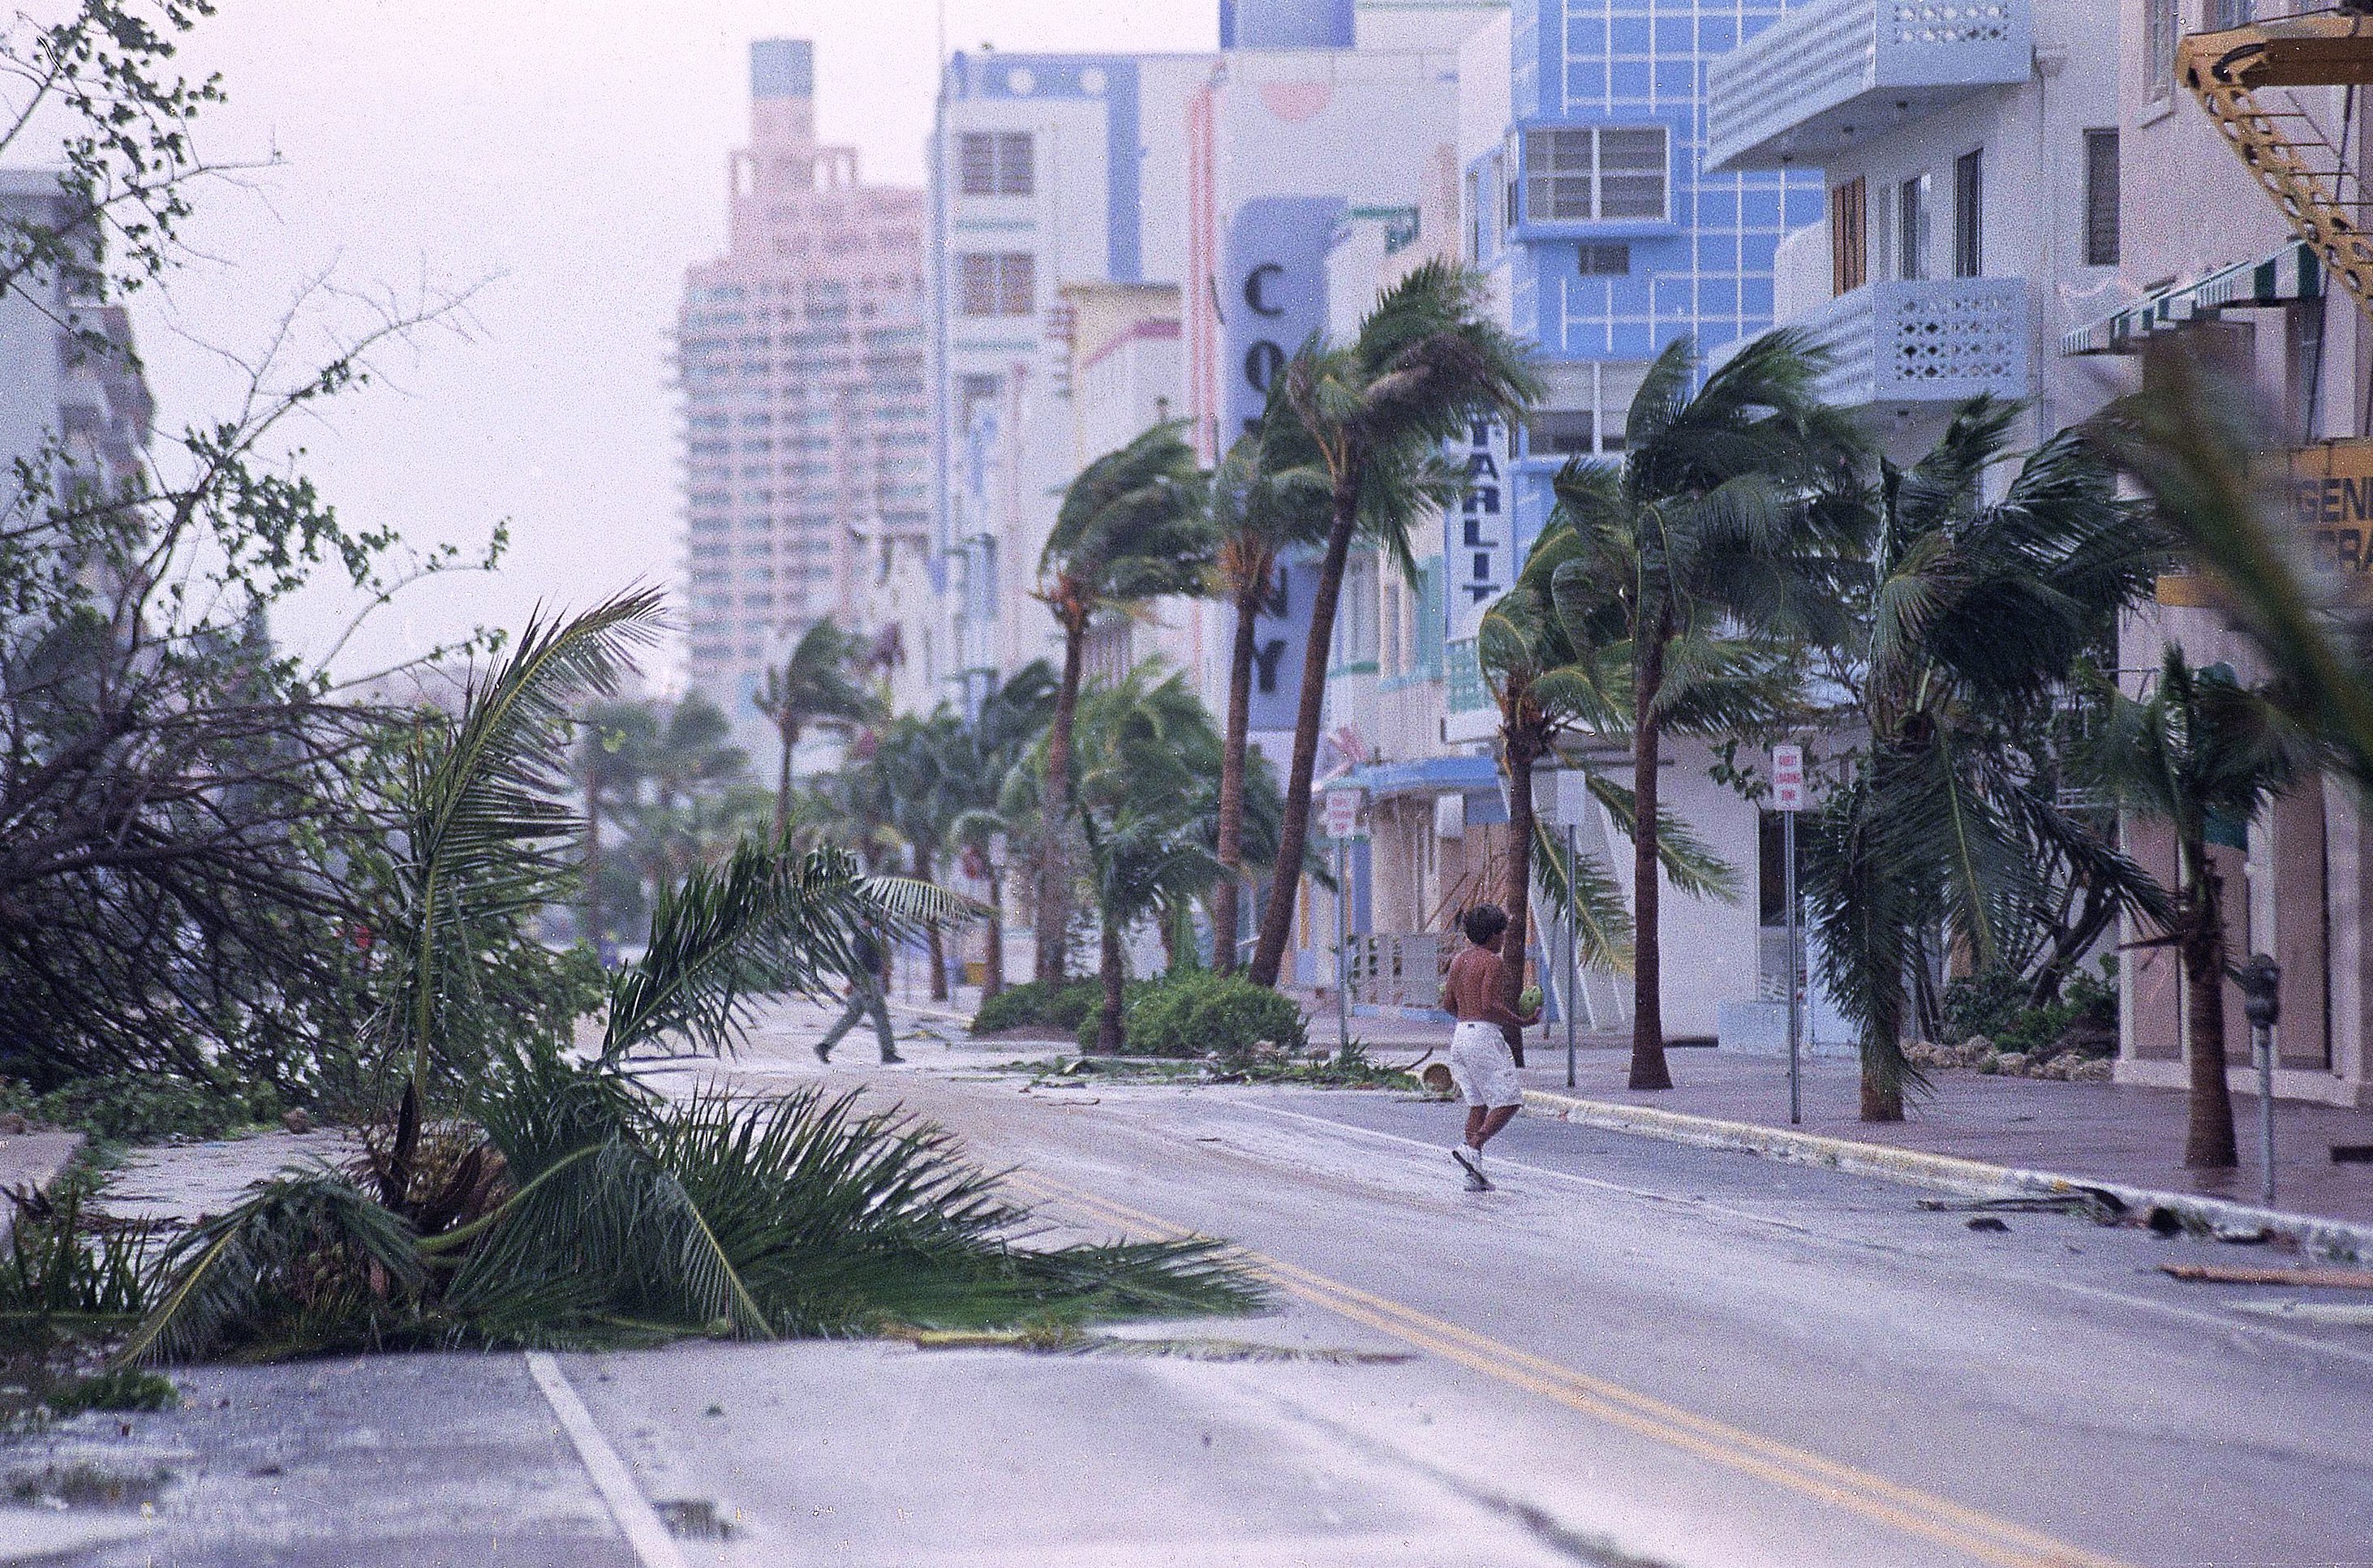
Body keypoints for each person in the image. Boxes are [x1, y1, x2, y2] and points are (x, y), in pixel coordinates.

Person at [1439, 904, 1537, 1191]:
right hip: (1483, 1037)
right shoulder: (1493, 962)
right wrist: (1521, 1022)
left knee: (1478, 1104)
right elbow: (1489, 1004)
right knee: (1509, 1101)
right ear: (1494, 935)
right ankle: (1474, 1146)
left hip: (1460, 1036)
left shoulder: (1459, 961)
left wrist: (1468, 1016)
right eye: (1503, 932)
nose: (1505, 938)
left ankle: (1473, 1172)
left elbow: (1448, 1005)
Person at [815, 923, 903, 1066]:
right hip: (867, 980)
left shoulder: (866, 935)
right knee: (880, 1014)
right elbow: (859, 961)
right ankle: (888, 1052)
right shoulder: (865, 936)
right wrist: (853, 981)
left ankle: (824, 1046)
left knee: (852, 1016)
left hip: (865, 979)